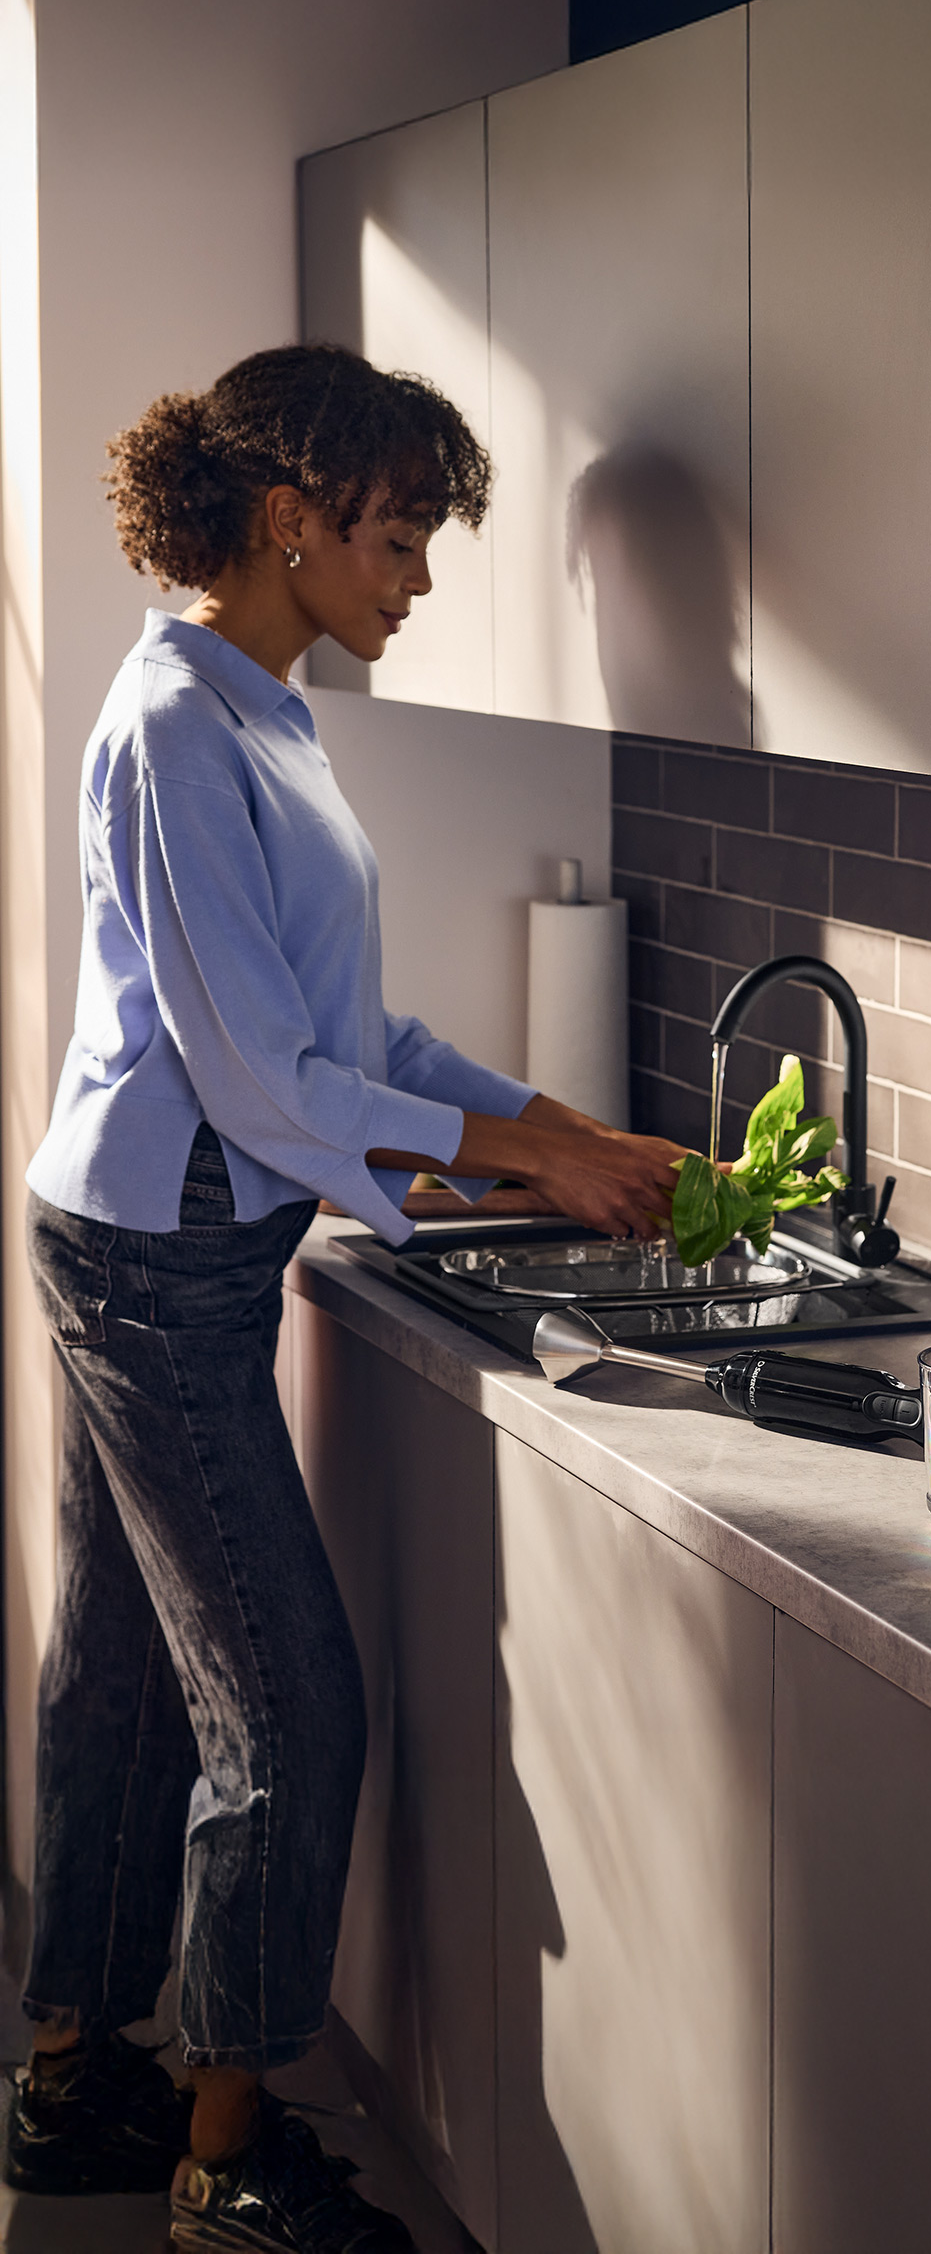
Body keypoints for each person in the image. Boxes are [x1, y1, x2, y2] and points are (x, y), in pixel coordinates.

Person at [4, 344, 684, 2252]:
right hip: (157, 1259)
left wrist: (554, 1123)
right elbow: (257, 1082)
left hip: (169, 1241)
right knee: (289, 1705)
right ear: (289, 518)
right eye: (398, 533)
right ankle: (228, 2155)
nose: (421, 574)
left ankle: (72, 2086)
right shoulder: (171, 729)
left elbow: (346, 1030)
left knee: (129, 1678)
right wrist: (513, 1159)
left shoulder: (269, 716)